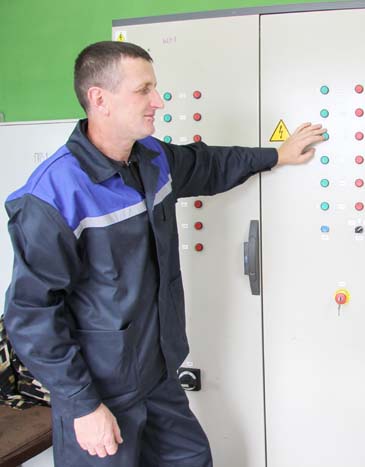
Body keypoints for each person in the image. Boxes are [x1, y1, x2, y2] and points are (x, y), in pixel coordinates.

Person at [3, 40, 325, 466]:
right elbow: (31, 314)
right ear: (99, 99)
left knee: (192, 458)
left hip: (157, 375)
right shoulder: (53, 196)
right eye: (144, 90)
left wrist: (276, 155)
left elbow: (208, 165)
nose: (158, 101)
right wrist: (82, 404)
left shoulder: (152, 158)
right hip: (100, 392)